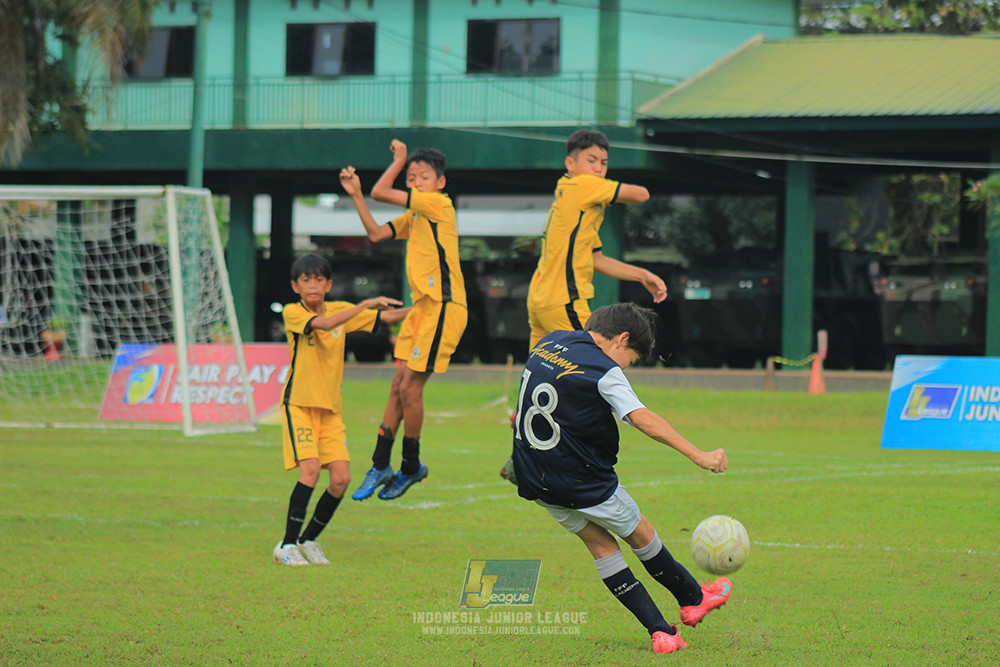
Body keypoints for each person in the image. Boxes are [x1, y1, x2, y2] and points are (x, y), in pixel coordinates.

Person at [510, 302, 731, 653]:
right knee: (641, 533)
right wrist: (698, 454)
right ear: (621, 339)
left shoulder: (550, 342)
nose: (626, 366)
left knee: (602, 548)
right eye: (633, 357)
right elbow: (641, 417)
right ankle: (693, 598)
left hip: (535, 477)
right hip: (583, 479)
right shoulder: (604, 369)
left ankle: (663, 633)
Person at [502, 128, 669, 485]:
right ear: (570, 163)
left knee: (539, 377)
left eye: (604, 163)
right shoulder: (582, 186)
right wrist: (607, 185)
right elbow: (642, 194)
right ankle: (589, 450)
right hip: (564, 300)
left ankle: (520, 459)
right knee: (601, 367)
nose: (598, 168)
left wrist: (641, 274)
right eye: (591, 161)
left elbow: (596, 258)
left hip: (539, 300)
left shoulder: (573, 196)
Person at [339, 139, 468, 501]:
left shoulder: (438, 204)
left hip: (444, 306)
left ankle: (410, 467)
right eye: (411, 177)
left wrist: (396, 162)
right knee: (398, 385)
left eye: (422, 177)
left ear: (439, 183)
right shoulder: (416, 215)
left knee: (410, 387)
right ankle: (381, 464)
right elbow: (377, 233)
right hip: (422, 309)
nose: (415, 182)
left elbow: (384, 190)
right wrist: (357, 196)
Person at [273, 253, 408, 566]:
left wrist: (429, 309)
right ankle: (287, 545)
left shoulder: (341, 310)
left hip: (330, 410)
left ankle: (308, 541)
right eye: (306, 280)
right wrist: (363, 305)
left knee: (341, 479)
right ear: (295, 286)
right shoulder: (294, 312)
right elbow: (324, 325)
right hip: (300, 406)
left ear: (329, 284)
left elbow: (387, 318)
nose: (313, 285)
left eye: (319, 279)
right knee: (309, 472)